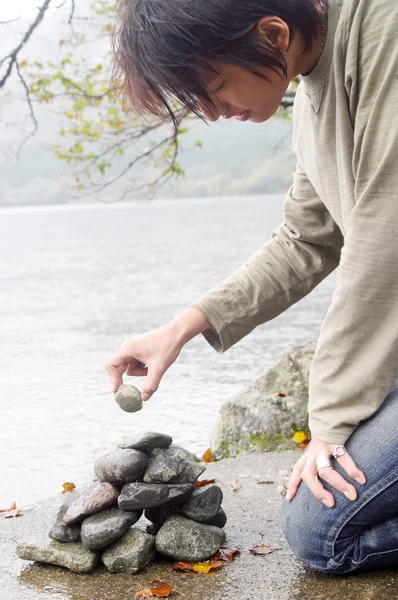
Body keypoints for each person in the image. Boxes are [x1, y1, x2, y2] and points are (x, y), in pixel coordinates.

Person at [104, 0, 398, 574]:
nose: (213, 113)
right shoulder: (312, 81)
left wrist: (330, 423)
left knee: (322, 531)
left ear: (271, 34)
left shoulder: (383, 28)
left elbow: (384, 236)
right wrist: (182, 328)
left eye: (213, 88)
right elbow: (306, 239)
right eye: (197, 102)